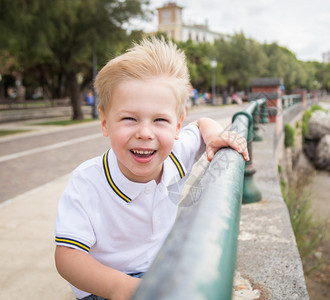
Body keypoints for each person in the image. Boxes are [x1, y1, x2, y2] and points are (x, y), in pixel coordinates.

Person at [54, 37, 249, 300]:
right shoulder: (87, 182)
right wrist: (121, 288)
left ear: (177, 125)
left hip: (158, 270)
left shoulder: (176, 155)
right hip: (105, 286)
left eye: (160, 120)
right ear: (104, 122)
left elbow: (203, 122)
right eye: (129, 118)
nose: (145, 133)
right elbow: (68, 257)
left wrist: (215, 136)